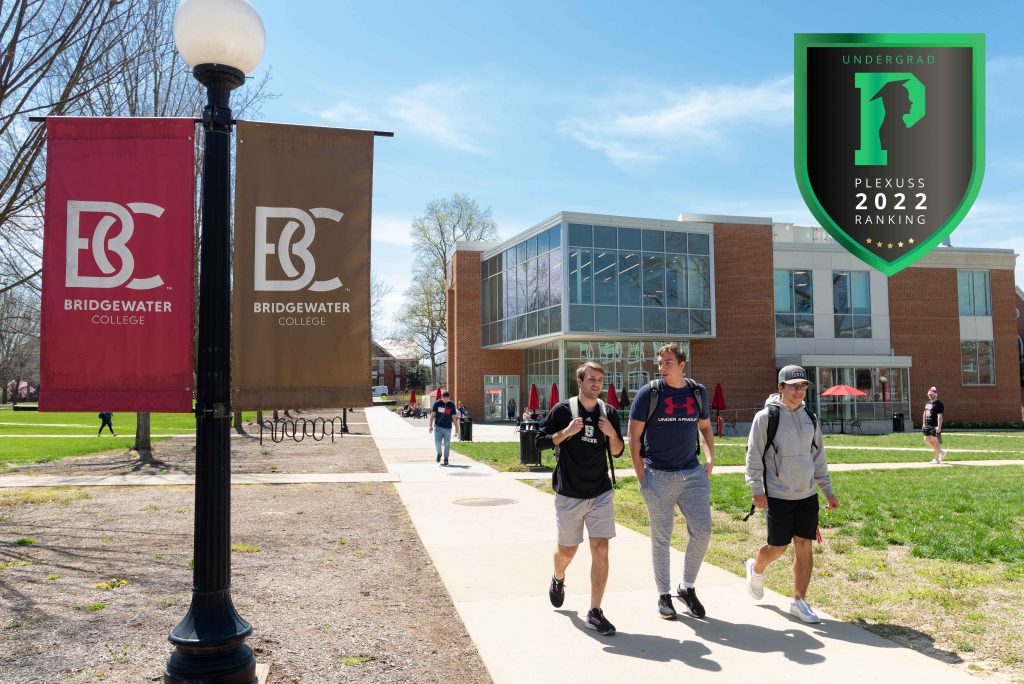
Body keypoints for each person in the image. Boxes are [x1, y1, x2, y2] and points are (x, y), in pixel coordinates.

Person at [744, 365, 839, 624]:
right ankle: (756, 567)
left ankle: (799, 601)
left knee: (805, 546)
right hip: (778, 494)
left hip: (807, 494)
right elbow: (753, 456)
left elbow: (818, 457)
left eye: (803, 385)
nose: (799, 390)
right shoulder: (765, 417)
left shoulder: (811, 418)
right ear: (780, 387)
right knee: (777, 548)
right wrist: (756, 489)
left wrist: (827, 490)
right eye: (793, 385)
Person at [627, 344, 714, 620]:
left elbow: (705, 426)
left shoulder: (697, 392)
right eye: (660, 363)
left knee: (703, 531)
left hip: (692, 474)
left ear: (682, 364)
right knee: (661, 538)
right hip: (658, 475)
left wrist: (710, 456)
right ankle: (664, 595)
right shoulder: (649, 393)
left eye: (667, 363)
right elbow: (634, 438)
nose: (662, 368)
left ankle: (687, 588)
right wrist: (643, 477)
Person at [537, 362, 624, 636]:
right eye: (591, 379)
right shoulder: (563, 410)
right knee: (567, 551)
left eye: (600, 380)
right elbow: (539, 441)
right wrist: (565, 433)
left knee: (600, 548)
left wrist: (612, 434)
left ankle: (595, 611)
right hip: (569, 494)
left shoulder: (609, 412)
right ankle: (558, 577)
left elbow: (618, 450)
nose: (596, 384)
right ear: (580, 381)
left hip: (600, 492)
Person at [428, 390, 459, 466]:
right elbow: (432, 415)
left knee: (447, 444)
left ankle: (446, 459)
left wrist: (457, 428)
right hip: (438, 427)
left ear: (449, 398)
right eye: (444, 398)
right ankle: (439, 453)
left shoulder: (452, 405)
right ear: (442, 397)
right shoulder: (437, 404)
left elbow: (454, 418)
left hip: (448, 428)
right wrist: (430, 425)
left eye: (447, 398)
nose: (445, 399)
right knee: (437, 443)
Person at [922, 386, 946, 464]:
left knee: (935, 442)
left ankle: (937, 459)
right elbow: (924, 413)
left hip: (934, 425)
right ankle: (941, 452)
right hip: (927, 425)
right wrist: (923, 423)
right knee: (926, 440)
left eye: (931, 394)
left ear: (935, 395)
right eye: (928, 394)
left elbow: (940, 416)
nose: (929, 395)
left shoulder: (939, 404)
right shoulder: (927, 403)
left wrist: (939, 426)